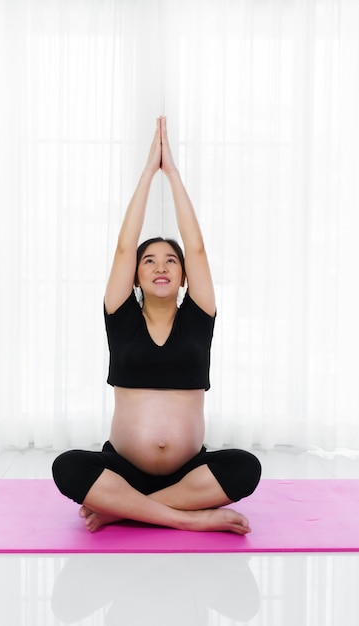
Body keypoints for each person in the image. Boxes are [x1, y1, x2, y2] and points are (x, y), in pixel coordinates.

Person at [52, 117, 261, 534]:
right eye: (149, 261)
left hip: (189, 472)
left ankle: (127, 510)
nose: (160, 266)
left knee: (246, 468)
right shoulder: (120, 315)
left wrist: (175, 175)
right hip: (122, 468)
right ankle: (188, 519)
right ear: (135, 276)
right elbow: (124, 246)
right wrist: (150, 173)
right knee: (66, 467)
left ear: (184, 276)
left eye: (171, 261)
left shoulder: (198, 318)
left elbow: (197, 248)